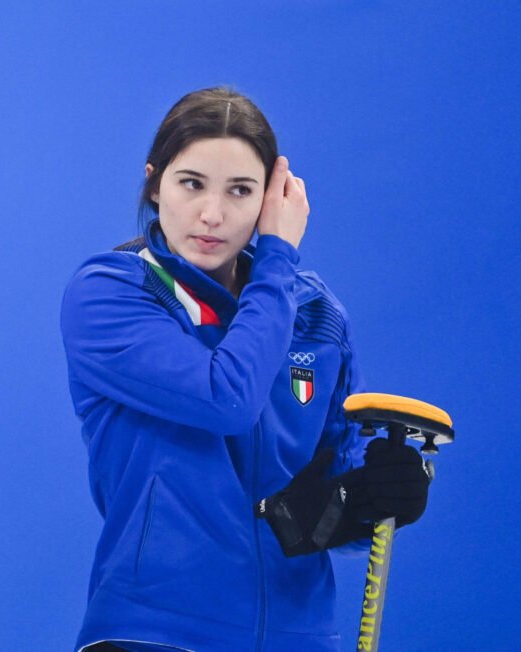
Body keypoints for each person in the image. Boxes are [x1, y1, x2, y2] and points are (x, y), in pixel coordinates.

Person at [59, 87, 430, 651]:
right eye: (192, 183)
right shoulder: (112, 292)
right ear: (154, 183)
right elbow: (227, 398)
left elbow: (327, 489)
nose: (213, 214)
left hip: (301, 636)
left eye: (240, 190)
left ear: (269, 199)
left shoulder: (315, 312)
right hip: (155, 633)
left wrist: (374, 499)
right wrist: (278, 255)